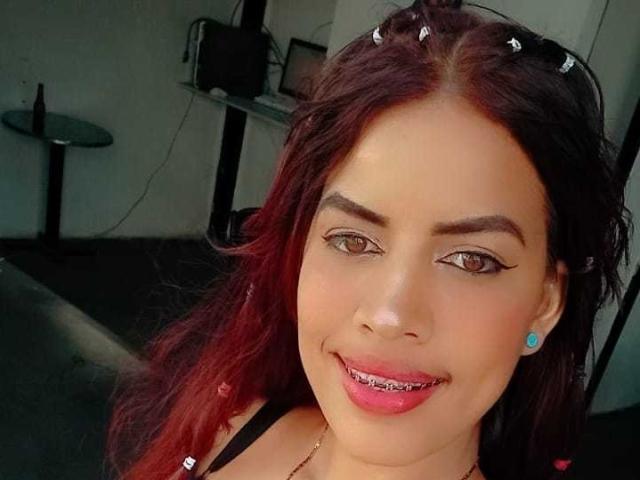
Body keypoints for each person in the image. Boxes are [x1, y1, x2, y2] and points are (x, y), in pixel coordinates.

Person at [107, 1, 633, 479]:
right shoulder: (233, 426)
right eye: (353, 241)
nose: (389, 316)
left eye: (472, 259)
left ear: (545, 303)